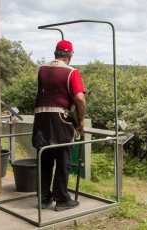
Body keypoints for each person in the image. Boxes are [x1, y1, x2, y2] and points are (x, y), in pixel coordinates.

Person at [32, 40, 86, 211]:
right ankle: (62, 199)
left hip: (40, 118)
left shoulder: (42, 69)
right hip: (61, 118)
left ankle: (43, 197)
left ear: (56, 54)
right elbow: (79, 98)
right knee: (63, 160)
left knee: (45, 159)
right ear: (70, 56)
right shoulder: (72, 72)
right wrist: (81, 119)